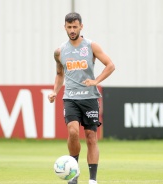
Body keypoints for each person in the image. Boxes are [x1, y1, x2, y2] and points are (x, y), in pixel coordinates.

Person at [48, 12, 115, 184]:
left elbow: (110, 65)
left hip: (90, 97)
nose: (72, 30)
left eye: (75, 27)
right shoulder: (59, 51)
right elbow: (59, 74)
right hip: (70, 98)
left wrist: (96, 80)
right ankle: (74, 173)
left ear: (81, 27)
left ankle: (92, 180)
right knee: (72, 131)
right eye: (69, 27)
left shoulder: (91, 46)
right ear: (64, 27)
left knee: (91, 137)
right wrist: (55, 91)